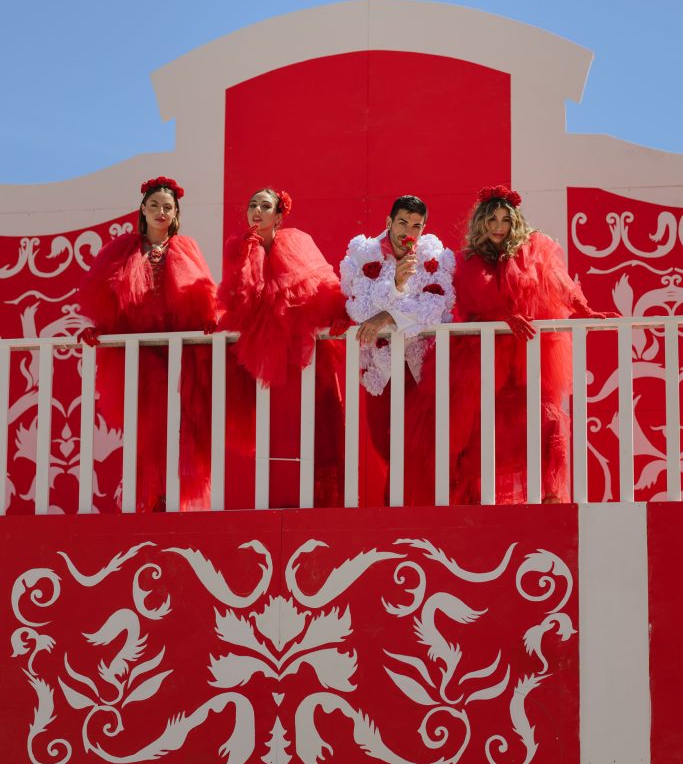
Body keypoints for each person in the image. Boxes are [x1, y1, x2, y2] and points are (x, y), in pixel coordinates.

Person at [409, 184, 618, 505]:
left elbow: (558, 281)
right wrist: (504, 315)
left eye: (505, 220)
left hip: (528, 353)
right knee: (474, 425)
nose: (497, 227)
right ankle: (471, 503)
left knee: (543, 419)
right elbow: (476, 292)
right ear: (481, 222)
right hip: (480, 358)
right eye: (491, 220)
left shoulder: (535, 249)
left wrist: (584, 308)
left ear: (514, 222)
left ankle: (548, 497)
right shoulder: (468, 258)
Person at [78, 176, 217, 512]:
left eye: (167, 207)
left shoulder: (186, 248)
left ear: (175, 213)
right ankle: (153, 500)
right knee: (150, 427)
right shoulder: (122, 250)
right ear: (142, 208)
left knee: (185, 425)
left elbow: (203, 294)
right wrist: (100, 329)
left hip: (181, 351)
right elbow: (110, 299)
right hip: (143, 354)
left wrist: (211, 318)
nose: (160, 212)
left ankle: (178, 501)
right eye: (154, 205)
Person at [217, 188, 347, 508]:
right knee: (277, 433)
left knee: (320, 429)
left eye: (265, 206)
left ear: (278, 216)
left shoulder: (294, 242)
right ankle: (279, 503)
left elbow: (318, 292)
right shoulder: (239, 248)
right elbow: (237, 302)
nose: (257, 211)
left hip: (302, 356)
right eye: (252, 206)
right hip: (264, 362)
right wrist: (248, 257)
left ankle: (324, 504)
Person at [339, 195, 455, 495]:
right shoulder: (362, 255)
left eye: (416, 225)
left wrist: (388, 313)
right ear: (389, 222)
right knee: (385, 443)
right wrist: (396, 286)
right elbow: (360, 311)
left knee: (423, 447)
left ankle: (418, 517)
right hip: (382, 368)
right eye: (402, 223)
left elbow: (435, 307)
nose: (408, 232)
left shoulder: (434, 254)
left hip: (422, 370)